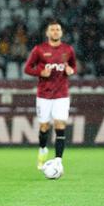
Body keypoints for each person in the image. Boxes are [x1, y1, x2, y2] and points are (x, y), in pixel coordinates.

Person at [24, 20, 77, 173]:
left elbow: (73, 66)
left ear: (61, 32)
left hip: (62, 94)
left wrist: (71, 71)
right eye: (52, 30)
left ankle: (58, 161)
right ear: (47, 33)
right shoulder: (39, 50)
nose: (55, 32)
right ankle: (42, 149)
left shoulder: (68, 50)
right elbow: (27, 68)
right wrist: (40, 72)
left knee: (60, 126)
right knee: (44, 126)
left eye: (58, 29)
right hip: (44, 95)